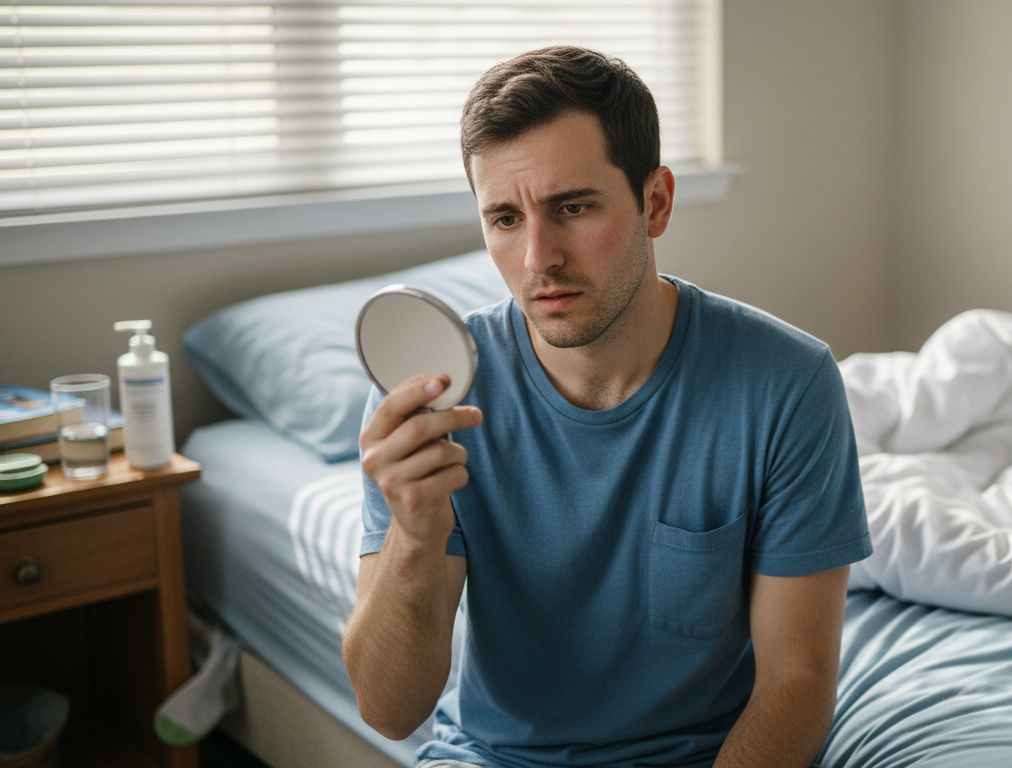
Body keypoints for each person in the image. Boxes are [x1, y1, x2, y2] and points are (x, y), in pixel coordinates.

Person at [343, 45, 872, 768]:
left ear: (655, 202)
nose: (538, 259)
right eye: (504, 218)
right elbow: (389, 710)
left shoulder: (787, 383)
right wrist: (413, 532)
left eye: (573, 207)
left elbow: (797, 680)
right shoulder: (434, 393)